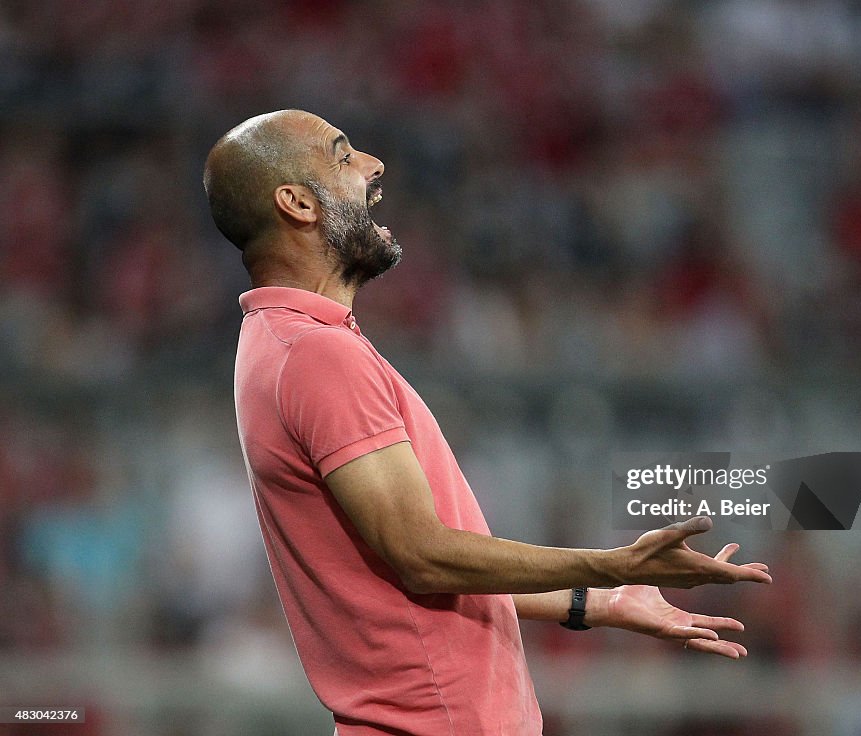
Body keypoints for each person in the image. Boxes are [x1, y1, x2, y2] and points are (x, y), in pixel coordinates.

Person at [203, 109, 772, 736]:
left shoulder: (284, 344)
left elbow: (414, 571)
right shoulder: (315, 355)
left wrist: (596, 601)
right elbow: (423, 556)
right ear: (297, 204)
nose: (373, 165)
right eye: (344, 157)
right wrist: (614, 564)